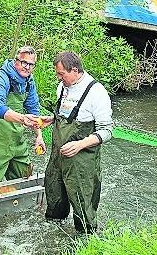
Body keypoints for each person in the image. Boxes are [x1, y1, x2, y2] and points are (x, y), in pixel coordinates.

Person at [45, 51, 113, 234]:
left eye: (61, 74)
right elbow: (65, 115)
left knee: (82, 202)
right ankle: (53, 232)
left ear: (75, 70)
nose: (58, 78)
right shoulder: (62, 87)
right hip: (58, 156)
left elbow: (107, 131)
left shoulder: (96, 93)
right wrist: (51, 119)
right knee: (54, 194)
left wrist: (80, 145)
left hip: (82, 161)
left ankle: (85, 241)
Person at [0, 46, 46, 185]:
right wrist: (23, 119)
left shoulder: (29, 81)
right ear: (15, 61)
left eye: (31, 65)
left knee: (25, 178)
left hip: (15, 139)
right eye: (24, 63)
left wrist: (39, 135)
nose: (27, 68)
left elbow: (33, 109)